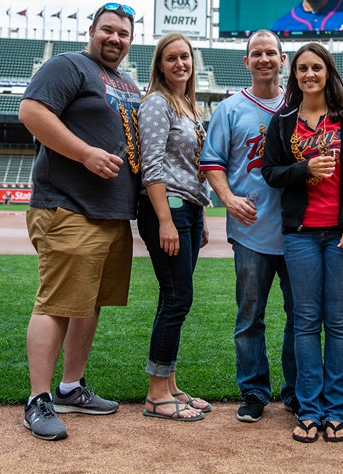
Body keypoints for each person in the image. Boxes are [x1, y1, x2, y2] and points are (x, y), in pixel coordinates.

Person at [17, 2, 141, 441]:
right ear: (92, 31)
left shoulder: (126, 81)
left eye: (123, 33)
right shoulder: (69, 65)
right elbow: (32, 113)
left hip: (110, 213)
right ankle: (38, 399)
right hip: (69, 206)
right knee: (56, 302)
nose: (115, 38)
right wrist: (84, 153)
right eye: (108, 30)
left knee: (88, 303)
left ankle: (71, 386)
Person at [261, 42, 343, 443]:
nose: (309, 74)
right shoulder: (284, 120)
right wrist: (303, 168)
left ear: (328, 71)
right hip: (301, 234)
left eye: (317, 67)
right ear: (294, 75)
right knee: (306, 323)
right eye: (302, 68)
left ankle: (336, 411)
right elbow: (271, 173)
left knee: (338, 323)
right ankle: (309, 409)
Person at [199, 29, 297, 423]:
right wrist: (227, 198)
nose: (263, 59)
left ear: (282, 59)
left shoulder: (301, 105)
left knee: (301, 316)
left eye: (270, 53)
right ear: (246, 61)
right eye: (256, 53)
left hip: (299, 230)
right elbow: (211, 162)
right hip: (252, 229)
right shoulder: (229, 108)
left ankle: (296, 391)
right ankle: (254, 391)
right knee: (250, 316)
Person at [137, 32, 212, 422]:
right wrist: (166, 220)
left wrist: (199, 215)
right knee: (176, 297)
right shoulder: (156, 102)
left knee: (175, 300)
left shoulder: (188, 105)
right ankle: (155, 394)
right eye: (171, 58)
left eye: (185, 57)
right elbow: (152, 165)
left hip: (189, 209)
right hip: (168, 210)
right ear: (160, 65)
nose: (180, 63)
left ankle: (169, 385)